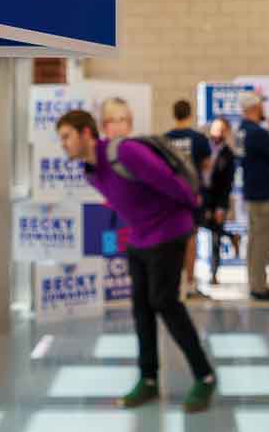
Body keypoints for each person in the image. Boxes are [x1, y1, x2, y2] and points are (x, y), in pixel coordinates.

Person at [57, 109, 217, 410]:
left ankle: (204, 375)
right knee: (141, 309)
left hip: (169, 231)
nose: (63, 144)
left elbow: (172, 183)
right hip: (140, 239)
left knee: (165, 302)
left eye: (66, 136)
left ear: (86, 133)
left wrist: (193, 212)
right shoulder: (90, 172)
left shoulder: (124, 152)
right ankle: (148, 379)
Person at [235, 95, 269, 301]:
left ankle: (255, 282)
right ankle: (259, 286)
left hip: (252, 192)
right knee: (263, 241)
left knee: (256, 240)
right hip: (265, 195)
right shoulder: (258, 132)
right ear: (255, 108)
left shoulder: (241, 130)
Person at [164, 99, 213, 297]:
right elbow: (207, 166)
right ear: (190, 114)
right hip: (192, 194)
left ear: (174, 115)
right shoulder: (199, 139)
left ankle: (175, 282)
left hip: (170, 194)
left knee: (172, 239)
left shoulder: (165, 139)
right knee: (191, 238)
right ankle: (190, 283)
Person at [202, 118, 238, 287]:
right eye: (216, 129)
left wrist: (221, 207)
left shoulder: (229, 155)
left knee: (215, 238)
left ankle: (214, 273)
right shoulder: (203, 148)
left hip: (217, 199)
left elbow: (227, 185)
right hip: (202, 196)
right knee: (202, 223)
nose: (218, 133)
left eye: (222, 130)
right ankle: (231, 236)